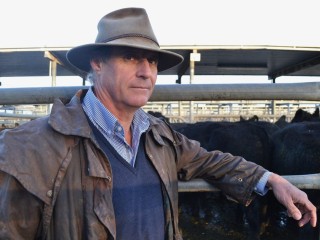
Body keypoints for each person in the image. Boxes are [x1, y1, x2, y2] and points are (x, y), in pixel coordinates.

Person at [0, 7, 316, 240]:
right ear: (97, 63)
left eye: (151, 61)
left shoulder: (158, 135)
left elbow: (209, 161)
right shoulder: (30, 149)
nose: (146, 72)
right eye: (130, 57)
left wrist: (271, 179)